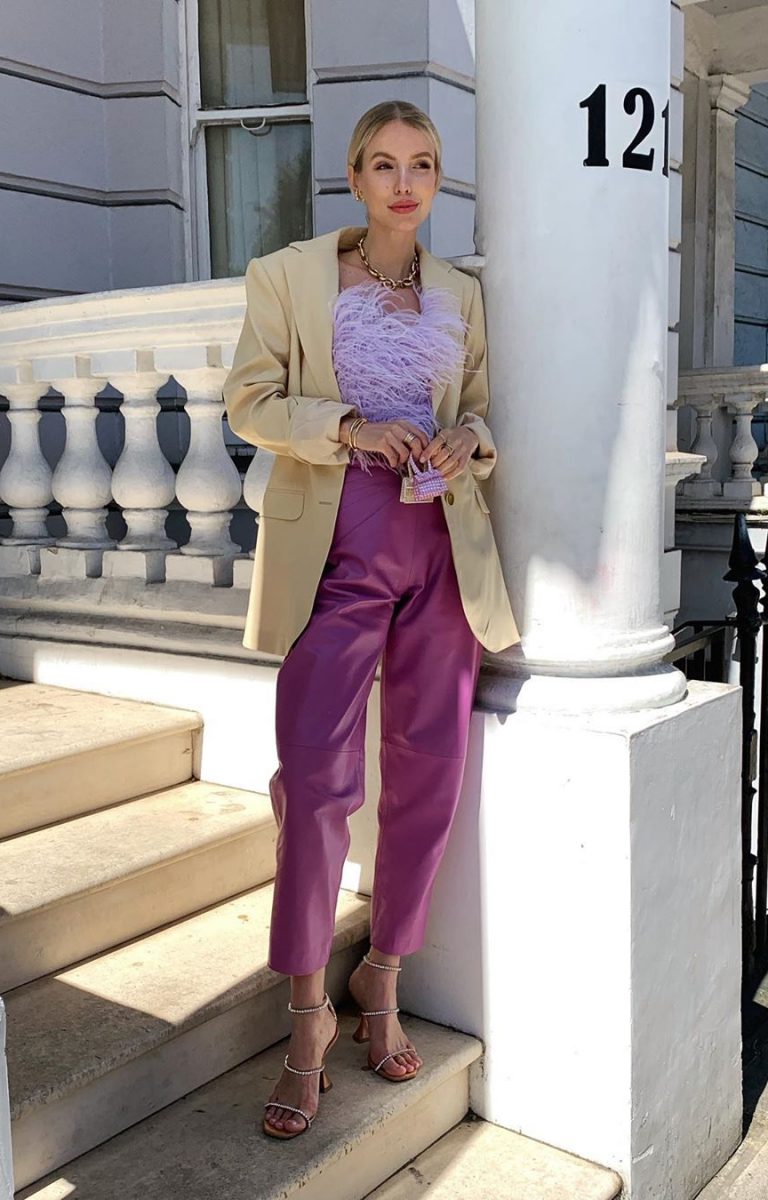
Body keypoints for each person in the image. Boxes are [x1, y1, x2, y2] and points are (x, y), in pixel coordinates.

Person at [222, 99, 519, 1141]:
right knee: (315, 782)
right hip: (335, 551)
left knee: (431, 771)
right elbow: (249, 401)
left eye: (423, 165)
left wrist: (466, 440)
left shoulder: (462, 294)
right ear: (354, 177)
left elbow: (477, 409)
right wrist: (348, 425)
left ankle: (380, 979)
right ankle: (307, 1014)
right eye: (385, 165)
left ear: (438, 179)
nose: (404, 183)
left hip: (441, 548)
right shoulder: (289, 277)